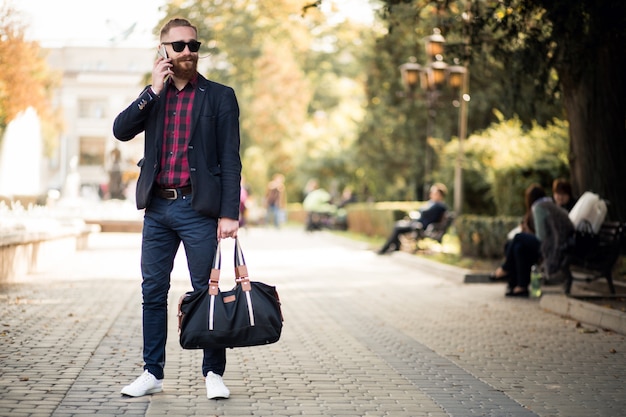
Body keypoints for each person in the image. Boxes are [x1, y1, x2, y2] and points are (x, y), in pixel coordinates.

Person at [112, 18, 241, 400]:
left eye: (193, 45)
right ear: (163, 51)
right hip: (157, 208)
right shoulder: (154, 97)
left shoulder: (220, 96)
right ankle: (152, 372)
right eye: (179, 45)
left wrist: (229, 213)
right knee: (153, 291)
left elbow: (230, 159)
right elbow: (121, 130)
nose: (188, 51)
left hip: (198, 208)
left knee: (206, 291)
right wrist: (152, 89)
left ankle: (213, 372)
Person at [493, 184, 550, 296]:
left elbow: (541, 235)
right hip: (534, 246)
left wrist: (527, 234)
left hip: (544, 247)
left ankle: (505, 269)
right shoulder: (533, 212)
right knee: (516, 247)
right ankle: (519, 286)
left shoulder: (541, 209)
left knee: (518, 238)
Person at [377, 183, 448, 255]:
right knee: (398, 225)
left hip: (421, 226)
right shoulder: (434, 204)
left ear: (439, 195)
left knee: (398, 227)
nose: (431, 194)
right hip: (418, 223)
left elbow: (423, 211)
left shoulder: (438, 205)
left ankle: (385, 249)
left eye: (433, 193)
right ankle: (393, 247)